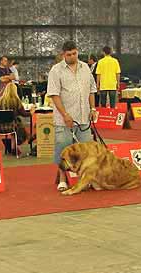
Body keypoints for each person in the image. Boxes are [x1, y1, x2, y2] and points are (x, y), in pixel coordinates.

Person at [47, 40, 97, 192]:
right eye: (69, 54)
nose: (72, 56)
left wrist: (93, 108)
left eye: (75, 53)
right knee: (63, 149)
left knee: (87, 150)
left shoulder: (86, 68)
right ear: (63, 54)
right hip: (64, 120)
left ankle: (86, 179)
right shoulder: (56, 70)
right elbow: (54, 95)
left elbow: (91, 90)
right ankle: (62, 179)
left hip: (84, 118)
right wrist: (65, 114)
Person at [0, 83, 34, 155]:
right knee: (17, 123)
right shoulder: (16, 101)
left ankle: (14, 147)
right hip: (12, 127)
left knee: (16, 122)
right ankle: (27, 138)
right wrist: (31, 112)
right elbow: (24, 114)